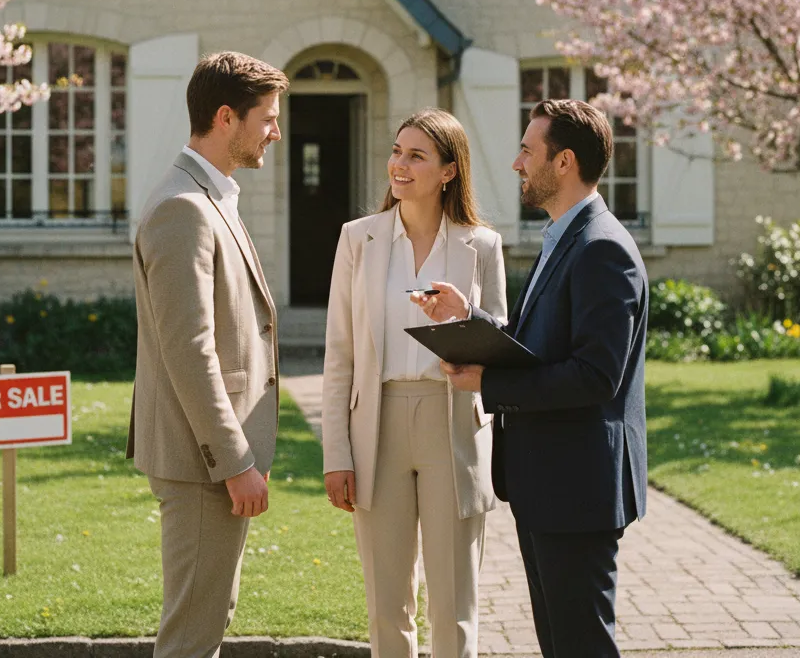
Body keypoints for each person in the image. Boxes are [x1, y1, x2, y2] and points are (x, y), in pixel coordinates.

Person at [432, 98, 648, 658]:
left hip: (577, 488)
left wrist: (489, 384)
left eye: (528, 150)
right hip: (548, 483)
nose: (516, 163)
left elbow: (596, 376)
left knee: (581, 645)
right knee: (560, 644)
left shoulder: (602, 249)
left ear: (564, 162)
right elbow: (540, 340)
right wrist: (471, 319)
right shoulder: (564, 236)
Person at [321, 108, 507, 658]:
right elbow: (340, 354)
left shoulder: (482, 245)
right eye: (397, 152)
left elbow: (501, 344)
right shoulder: (358, 239)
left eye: (416, 156)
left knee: (453, 608)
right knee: (386, 607)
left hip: (454, 425)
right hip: (376, 424)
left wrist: (465, 312)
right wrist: (338, 452)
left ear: (449, 171)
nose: (398, 165)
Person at [126, 51, 290, 658]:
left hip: (213, 462)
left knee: (207, 622)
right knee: (192, 637)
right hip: (203, 465)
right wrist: (233, 461)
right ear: (226, 117)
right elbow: (189, 351)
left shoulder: (212, 196)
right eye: (268, 118)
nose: (277, 131)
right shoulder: (183, 208)